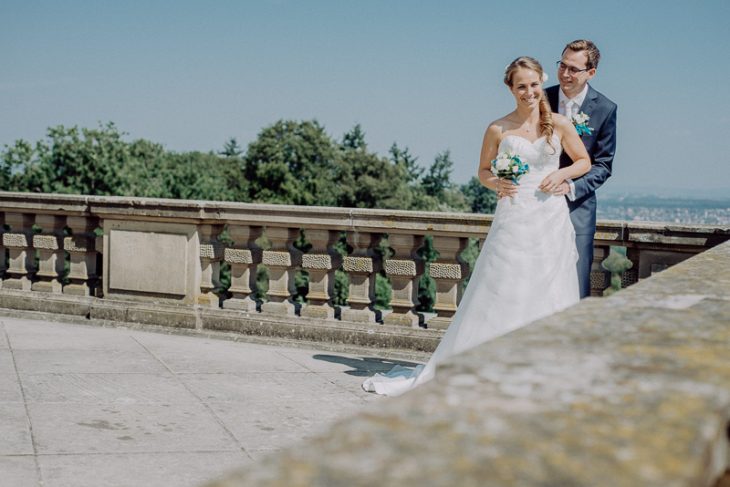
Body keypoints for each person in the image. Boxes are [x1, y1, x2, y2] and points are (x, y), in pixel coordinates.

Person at [362, 57, 591, 396]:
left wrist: (561, 173)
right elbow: (483, 171)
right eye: (521, 86)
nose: (529, 92)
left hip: (549, 217)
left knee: (549, 288)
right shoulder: (498, 128)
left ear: (541, 83)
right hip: (514, 215)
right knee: (504, 288)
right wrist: (495, 183)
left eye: (533, 85)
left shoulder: (559, 124)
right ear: (511, 89)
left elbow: (584, 161)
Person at [545, 39, 618, 299]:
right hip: (538, 201)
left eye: (573, 69)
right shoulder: (541, 99)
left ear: (591, 73)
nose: (565, 74)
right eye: (562, 65)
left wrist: (570, 186)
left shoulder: (606, 109)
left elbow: (603, 165)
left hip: (578, 206)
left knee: (575, 279)